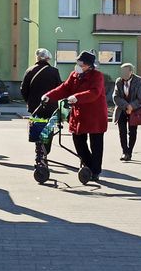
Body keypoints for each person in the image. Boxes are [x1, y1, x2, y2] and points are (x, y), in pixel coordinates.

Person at [42, 51, 108, 181]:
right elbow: (64, 88)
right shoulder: (75, 75)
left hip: (95, 115)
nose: (78, 66)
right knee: (78, 142)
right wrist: (48, 96)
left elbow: (94, 93)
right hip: (79, 114)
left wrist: (77, 97)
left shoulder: (97, 76)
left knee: (96, 144)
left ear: (89, 66)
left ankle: (95, 171)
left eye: (81, 64)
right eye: (77, 63)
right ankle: (89, 167)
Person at [20, 48, 61, 164]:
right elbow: (59, 89)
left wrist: (29, 101)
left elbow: (23, 89)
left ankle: (39, 154)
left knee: (37, 129)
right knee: (48, 130)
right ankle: (45, 153)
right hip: (50, 108)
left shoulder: (29, 70)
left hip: (35, 108)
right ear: (48, 59)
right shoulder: (54, 71)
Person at [112, 63, 141, 161]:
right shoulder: (118, 81)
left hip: (134, 111)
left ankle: (129, 152)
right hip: (121, 109)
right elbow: (115, 97)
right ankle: (124, 152)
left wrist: (131, 107)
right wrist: (126, 106)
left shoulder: (138, 80)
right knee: (122, 132)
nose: (123, 73)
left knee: (132, 132)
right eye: (122, 71)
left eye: (126, 71)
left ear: (131, 72)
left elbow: (140, 98)